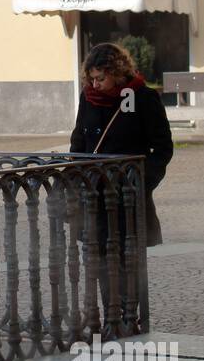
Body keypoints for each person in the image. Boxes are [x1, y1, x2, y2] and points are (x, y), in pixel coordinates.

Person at [69, 42, 173, 247]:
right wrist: (78, 172)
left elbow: (162, 148)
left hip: (128, 195)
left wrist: (142, 182)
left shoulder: (143, 97)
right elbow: (79, 139)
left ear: (117, 73)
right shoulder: (88, 97)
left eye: (101, 78)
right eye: (92, 79)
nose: (95, 84)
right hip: (94, 194)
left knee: (130, 264)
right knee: (97, 262)